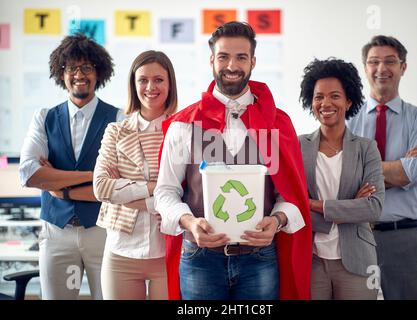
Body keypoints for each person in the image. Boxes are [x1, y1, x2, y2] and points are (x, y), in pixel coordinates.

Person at [154, 21, 312, 300]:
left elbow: (290, 194)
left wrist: (277, 221)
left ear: (252, 61)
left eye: (241, 57)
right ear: (212, 59)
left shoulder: (277, 124)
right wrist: (190, 223)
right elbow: (165, 193)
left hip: (259, 259)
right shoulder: (183, 125)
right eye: (224, 56)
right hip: (200, 259)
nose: (232, 65)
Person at [19, 33, 123, 299]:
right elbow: (30, 173)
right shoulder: (44, 117)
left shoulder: (119, 118)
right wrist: (94, 175)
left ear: (98, 73)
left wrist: (58, 184)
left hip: (103, 231)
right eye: (72, 67)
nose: (80, 74)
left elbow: (120, 184)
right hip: (57, 234)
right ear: (60, 73)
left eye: (87, 67)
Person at [347, 35, 417, 299]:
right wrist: (399, 169)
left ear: (403, 67)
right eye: (374, 62)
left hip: (405, 236)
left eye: (390, 61)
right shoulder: (349, 120)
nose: (381, 69)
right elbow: (343, 175)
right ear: (365, 67)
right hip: (357, 235)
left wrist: (365, 170)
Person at [93, 50, 178, 300]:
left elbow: (186, 193)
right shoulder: (116, 131)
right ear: (133, 84)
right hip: (121, 252)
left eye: (159, 80)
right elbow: (101, 188)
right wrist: (156, 189)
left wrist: (129, 197)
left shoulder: (182, 131)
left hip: (169, 249)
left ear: (170, 84)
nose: (151, 87)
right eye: (143, 80)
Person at [298, 58, 384, 299]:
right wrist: (351, 207)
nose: (326, 103)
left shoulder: (367, 148)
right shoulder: (297, 146)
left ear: (348, 101)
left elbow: (374, 208)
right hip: (311, 259)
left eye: (334, 96)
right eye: (319, 97)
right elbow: (292, 204)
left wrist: (316, 204)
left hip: (357, 260)